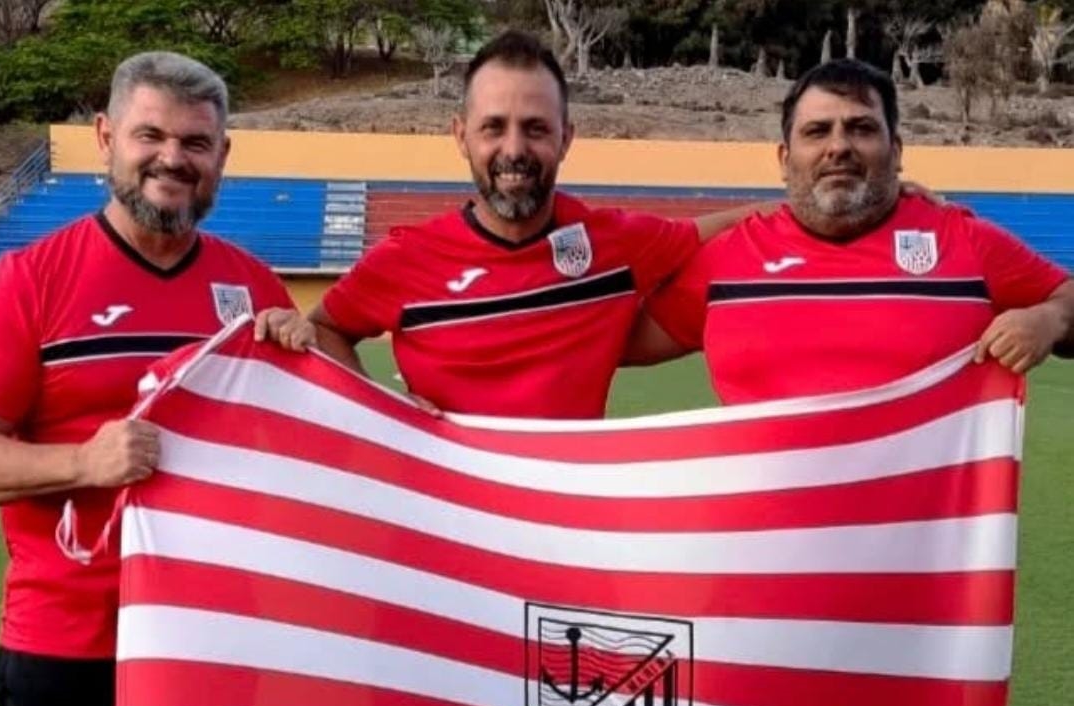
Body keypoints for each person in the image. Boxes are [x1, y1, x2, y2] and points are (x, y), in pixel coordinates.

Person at [0, 51, 294, 706]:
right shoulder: (30, 279)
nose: (172, 158)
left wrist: (302, 360)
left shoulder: (254, 287)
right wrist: (84, 461)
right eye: (149, 136)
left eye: (194, 143)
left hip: (216, 640)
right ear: (105, 137)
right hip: (69, 649)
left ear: (222, 153)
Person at [262, 30, 775, 418]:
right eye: (493, 128)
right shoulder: (405, 260)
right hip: (444, 517)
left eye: (535, 128)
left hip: (563, 520)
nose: (514, 150)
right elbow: (327, 327)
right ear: (461, 136)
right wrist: (382, 410)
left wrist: (808, 211)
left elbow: (720, 230)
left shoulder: (613, 242)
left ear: (566, 137)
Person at [627, 58, 1073, 403]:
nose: (838, 146)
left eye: (861, 128)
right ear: (785, 158)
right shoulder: (727, 259)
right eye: (817, 132)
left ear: (896, 151)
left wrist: (1049, 319)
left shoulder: (963, 241)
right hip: (769, 523)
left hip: (922, 524)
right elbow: (607, 341)